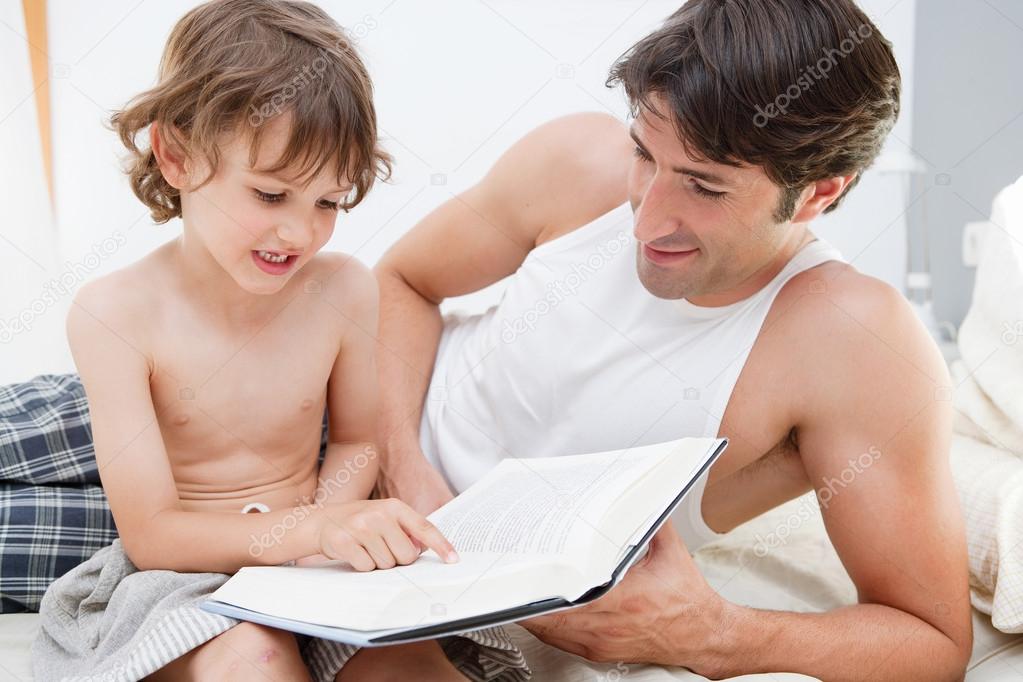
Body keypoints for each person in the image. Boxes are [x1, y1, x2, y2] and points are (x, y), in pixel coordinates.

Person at [374, 0, 973, 678]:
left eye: (703, 186)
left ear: (817, 193)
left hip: (461, 621)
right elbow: (398, 282)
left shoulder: (853, 342)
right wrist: (397, 464)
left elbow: (930, 643)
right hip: (347, 478)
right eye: (643, 154)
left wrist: (714, 635)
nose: (645, 221)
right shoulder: (574, 159)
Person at [30, 1, 529, 680]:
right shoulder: (113, 313)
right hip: (181, 576)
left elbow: (357, 442)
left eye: (327, 202)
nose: (300, 233)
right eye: (270, 195)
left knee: (405, 664)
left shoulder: (345, 290)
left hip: (310, 565)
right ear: (174, 155)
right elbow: (151, 534)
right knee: (256, 656)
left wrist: (330, 531)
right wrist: (305, 533)